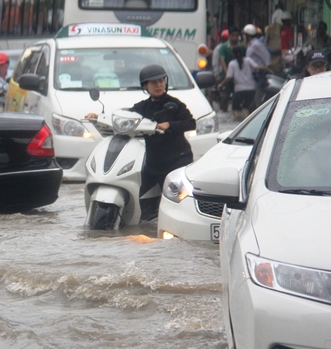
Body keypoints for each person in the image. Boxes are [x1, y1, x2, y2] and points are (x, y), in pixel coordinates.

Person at [86, 64, 195, 221]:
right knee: (143, 200)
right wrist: (97, 117)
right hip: (153, 163)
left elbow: (191, 123)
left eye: (160, 81)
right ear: (145, 86)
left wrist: (170, 125)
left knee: (180, 201)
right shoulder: (142, 107)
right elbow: (123, 117)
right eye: (153, 83)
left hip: (177, 160)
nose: (158, 85)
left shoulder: (176, 105)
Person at [217, 45, 271, 121]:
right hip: (251, 89)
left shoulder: (232, 64)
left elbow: (228, 77)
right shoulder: (248, 60)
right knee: (245, 108)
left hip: (239, 90)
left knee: (235, 108)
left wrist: (221, 84)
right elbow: (257, 67)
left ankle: (238, 125)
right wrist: (267, 69)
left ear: (233, 54)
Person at [244, 24, 271, 111]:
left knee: (257, 98)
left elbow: (267, 57)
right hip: (253, 75)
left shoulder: (256, 44)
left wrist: (265, 68)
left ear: (247, 36)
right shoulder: (250, 44)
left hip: (259, 74)